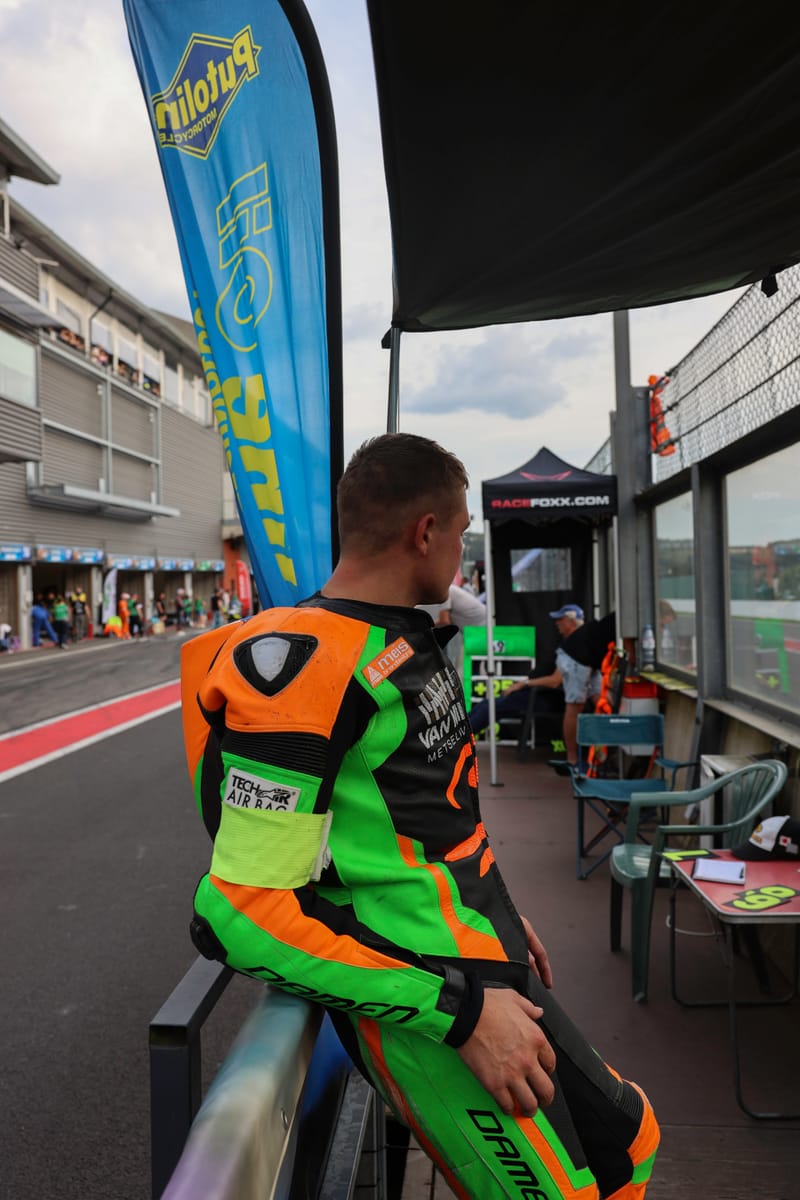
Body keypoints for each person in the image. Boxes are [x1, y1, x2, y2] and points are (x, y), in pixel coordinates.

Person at [184, 434, 658, 1199]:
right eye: (462, 529)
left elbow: (426, 814)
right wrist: (461, 1012)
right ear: (425, 533)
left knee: (632, 1146)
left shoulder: (398, 632)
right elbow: (240, 914)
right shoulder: (300, 664)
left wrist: (495, 906)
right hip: (436, 1003)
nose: (463, 546)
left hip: (481, 955)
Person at [500, 606, 615, 764]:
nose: (557, 624)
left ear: (571, 622)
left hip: (588, 663)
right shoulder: (571, 647)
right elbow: (555, 681)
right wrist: (524, 683)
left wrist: (523, 683)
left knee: (603, 702)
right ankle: (573, 759)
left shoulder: (582, 640)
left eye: (560, 621)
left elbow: (554, 680)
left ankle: (603, 750)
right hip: (575, 667)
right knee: (576, 706)